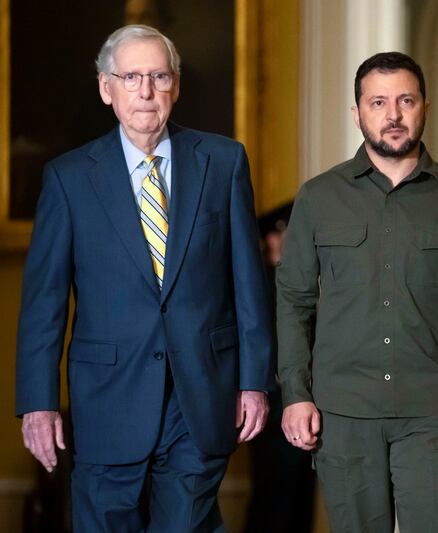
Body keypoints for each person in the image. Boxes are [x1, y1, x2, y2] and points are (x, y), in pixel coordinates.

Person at [15, 24, 274, 532]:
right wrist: (38, 403)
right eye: (131, 76)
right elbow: (43, 303)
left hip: (199, 396)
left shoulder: (222, 162)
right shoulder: (68, 178)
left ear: (175, 84)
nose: (146, 90)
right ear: (105, 88)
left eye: (158, 75)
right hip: (106, 400)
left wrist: (255, 381)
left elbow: (248, 280)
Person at [276, 51, 438, 532]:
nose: (393, 115)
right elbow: (294, 301)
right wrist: (296, 393)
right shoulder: (318, 197)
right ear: (357, 112)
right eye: (378, 102)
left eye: (406, 100)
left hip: (434, 410)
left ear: (424, 107)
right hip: (344, 411)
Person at [245, 201, 316, 533]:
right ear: (271, 238)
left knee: (300, 492)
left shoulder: (304, 281)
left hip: (302, 396)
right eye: (283, 232)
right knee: (274, 492)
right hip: (270, 403)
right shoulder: (257, 281)